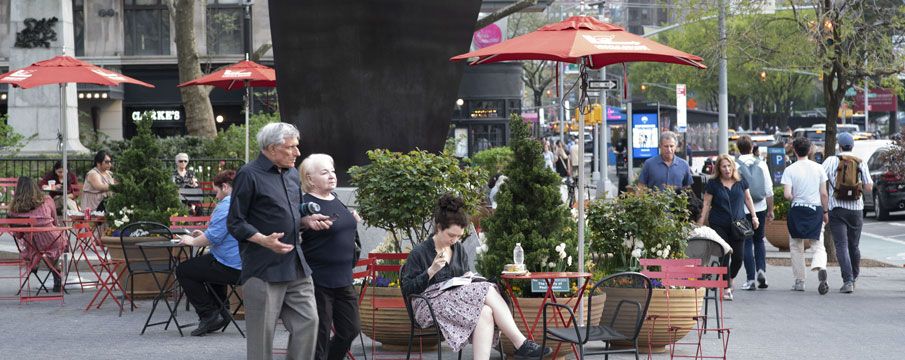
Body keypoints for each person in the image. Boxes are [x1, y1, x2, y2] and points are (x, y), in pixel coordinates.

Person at [400, 194, 551, 360]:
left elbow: (462, 279)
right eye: (451, 235)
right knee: (487, 289)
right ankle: (521, 343)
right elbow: (408, 289)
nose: (455, 240)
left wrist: (469, 278)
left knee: (485, 311)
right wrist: (431, 271)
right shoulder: (420, 252)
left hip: (456, 301)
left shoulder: (458, 249)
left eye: (459, 236)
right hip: (428, 306)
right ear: (438, 227)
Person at [227, 122, 331, 360]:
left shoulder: (293, 174)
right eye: (291, 147)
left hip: (296, 264)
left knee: (309, 322)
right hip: (263, 268)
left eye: (297, 146)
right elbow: (235, 222)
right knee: (261, 339)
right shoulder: (249, 174)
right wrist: (263, 240)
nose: (297, 153)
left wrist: (306, 220)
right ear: (273, 148)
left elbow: (292, 212)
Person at [298, 154, 361, 360]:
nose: (332, 176)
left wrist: (352, 221)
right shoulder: (305, 205)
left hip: (343, 278)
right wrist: (304, 222)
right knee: (320, 336)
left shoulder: (336, 199)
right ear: (309, 178)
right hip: (318, 280)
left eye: (332, 171)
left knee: (350, 329)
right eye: (324, 172)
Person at [174, 170, 242, 336]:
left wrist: (191, 241)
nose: (216, 196)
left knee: (183, 270)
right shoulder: (242, 202)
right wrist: (203, 234)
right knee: (207, 265)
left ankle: (208, 314)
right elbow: (220, 233)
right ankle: (221, 311)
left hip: (232, 267)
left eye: (216, 192)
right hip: (245, 264)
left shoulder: (226, 205)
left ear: (225, 187)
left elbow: (214, 237)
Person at [699, 155, 759, 301]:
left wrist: (754, 216)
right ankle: (726, 288)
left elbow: (748, 198)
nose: (727, 169)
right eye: (723, 166)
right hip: (719, 223)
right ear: (718, 168)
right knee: (724, 254)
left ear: (733, 166)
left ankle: (729, 278)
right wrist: (701, 222)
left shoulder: (740, 180)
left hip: (739, 225)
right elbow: (706, 203)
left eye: (729, 166)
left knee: (739, 257)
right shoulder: (713, 183)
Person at [822, 133, 872, 293]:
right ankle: (855, 276)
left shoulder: (830, 161)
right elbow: (869, 187)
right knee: (854, 245)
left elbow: (820, 180)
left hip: (837, 208)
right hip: (857, 209)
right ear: (852, 146)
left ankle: (848, 280)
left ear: (839, 145)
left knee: (841, 245)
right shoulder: (860, 162)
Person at [781, 137, 830, 295]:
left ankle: (800, 281)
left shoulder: (790, 170)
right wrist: (825, 211)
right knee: (818, 243)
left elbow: (787, 194)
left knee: (796, 246)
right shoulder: (819, 168)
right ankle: (820, 267)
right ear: (810, 150)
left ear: (794, 150)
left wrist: (794, 196)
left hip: (797, 210)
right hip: (815, 209)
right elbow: (823, 193)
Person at [9, 176, 66, 292]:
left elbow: (18, 234)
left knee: (33, 245)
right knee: (54, 241)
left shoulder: (14, 209)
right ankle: (56, 273)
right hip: (52, 238)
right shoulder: (48, 200)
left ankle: (34, 262)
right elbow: (55, 221)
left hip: (32, 243)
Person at [735, 136, 774, 290]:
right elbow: (769, 189)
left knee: (746, 243)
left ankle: (750, 279)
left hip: (742, 210)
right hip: (761, 208)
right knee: (759, 240)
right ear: (751, 147)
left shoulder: (735, 165)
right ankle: (761, 270)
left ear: (738, 148)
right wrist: (770, 210)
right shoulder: (762, 164)